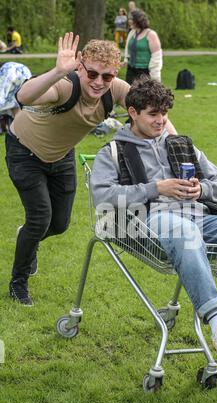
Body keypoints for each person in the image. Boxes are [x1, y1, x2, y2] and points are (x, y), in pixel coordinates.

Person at [90, 77, 217, 391]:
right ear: (133, 112)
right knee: (184, 233)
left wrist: (202, 188)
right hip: (152, 219)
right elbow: (102, 198)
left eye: (165, 113)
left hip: (201, 214)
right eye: (153, 114)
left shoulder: (181, 143)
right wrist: (157, 188)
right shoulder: (113, 152)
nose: (161, 120)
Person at [5, 32, 176, 307]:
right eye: (92, 73)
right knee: (40, 218)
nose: (98, 82)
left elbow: (154, 111)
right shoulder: (64, 85)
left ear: (114, 74)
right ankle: (18, 283)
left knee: (59, 224)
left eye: (106, 76)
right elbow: (24, 96)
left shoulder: (117, 90)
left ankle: (28, 237)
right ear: (80, 67)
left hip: (60, 157)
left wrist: (175, 147)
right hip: (24, 151)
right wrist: (58, 70)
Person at [123, 9, 162, 84]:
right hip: (131, 70)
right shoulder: (132, 33)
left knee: (143, 94)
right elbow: (128, 50)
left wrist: (155, 79)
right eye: (129, 19)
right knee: (129, 93)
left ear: (138, 20)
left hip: (144, 72)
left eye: (131, 19)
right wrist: (126, 60)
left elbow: (156, 58)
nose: (129, 21)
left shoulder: (151, 34)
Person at [0, 61, 31, 133]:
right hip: (24, 70)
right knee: (18, 103)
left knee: (3, 100)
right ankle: (20, 129)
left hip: (9, 70)